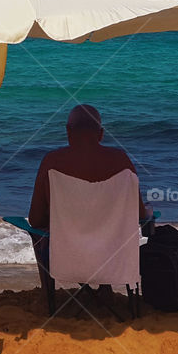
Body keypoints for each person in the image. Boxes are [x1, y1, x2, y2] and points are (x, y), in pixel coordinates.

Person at [27, 105, 149, 301]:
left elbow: (35, 219)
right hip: (115, 259)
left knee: (39, 235)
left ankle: (49, 299)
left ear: (68, 131)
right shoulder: (122, 162)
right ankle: (107, 289)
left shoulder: (52, 162)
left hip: (65, 260)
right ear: (100, 134)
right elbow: (140, 216)